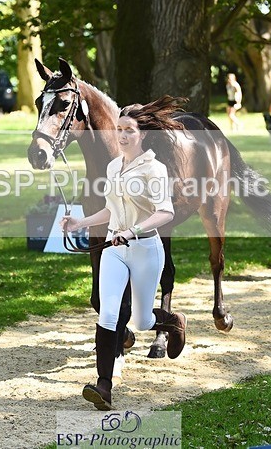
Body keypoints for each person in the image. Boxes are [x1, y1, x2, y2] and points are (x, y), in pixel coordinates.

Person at [60, 96, 188, 411]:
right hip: (115, 251)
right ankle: (104, 386)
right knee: (108, 312)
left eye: (129, 130)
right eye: (119, 129)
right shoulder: (114, 166)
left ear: (143, 134)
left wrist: (133, 231)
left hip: (145, 248)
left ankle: (172, 320)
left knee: (143, 321)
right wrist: (81, 221)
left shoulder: (155, 169)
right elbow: (109, 209)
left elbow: (165, 213)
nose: (122, 136)